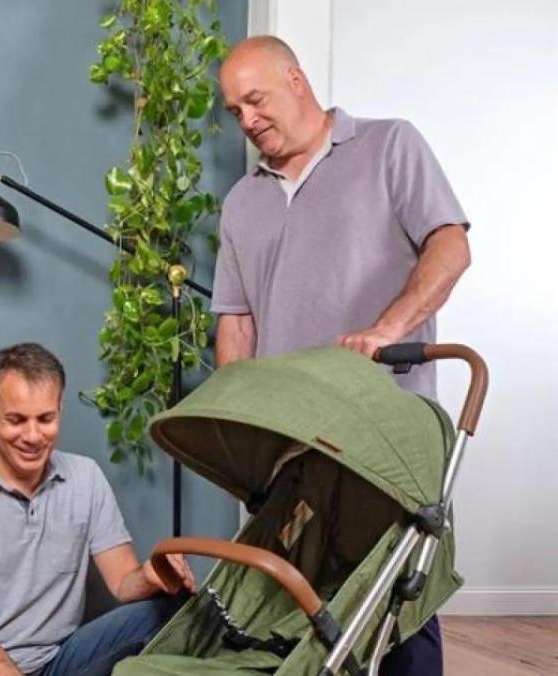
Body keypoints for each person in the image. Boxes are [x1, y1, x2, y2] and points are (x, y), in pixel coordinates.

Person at [213, 36, 471, 674]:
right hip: (292, 446)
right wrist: (236, 423)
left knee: (398, 601)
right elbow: (236, 324)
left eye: (255, 100)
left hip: (382, 433)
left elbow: (451, 246)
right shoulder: (242, 202)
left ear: (296, 79)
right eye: (233, 111)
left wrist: (385, 329)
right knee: (302, 616)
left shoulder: (389, 146)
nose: (246, 121)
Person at [0, 343, 195, 676]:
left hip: (54, 660)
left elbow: (123, 582)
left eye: (45, 419)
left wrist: (150, 576)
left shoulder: (85, 477)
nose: (33, 436)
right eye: (16, 420)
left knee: (167, 610)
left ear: (60, 408)